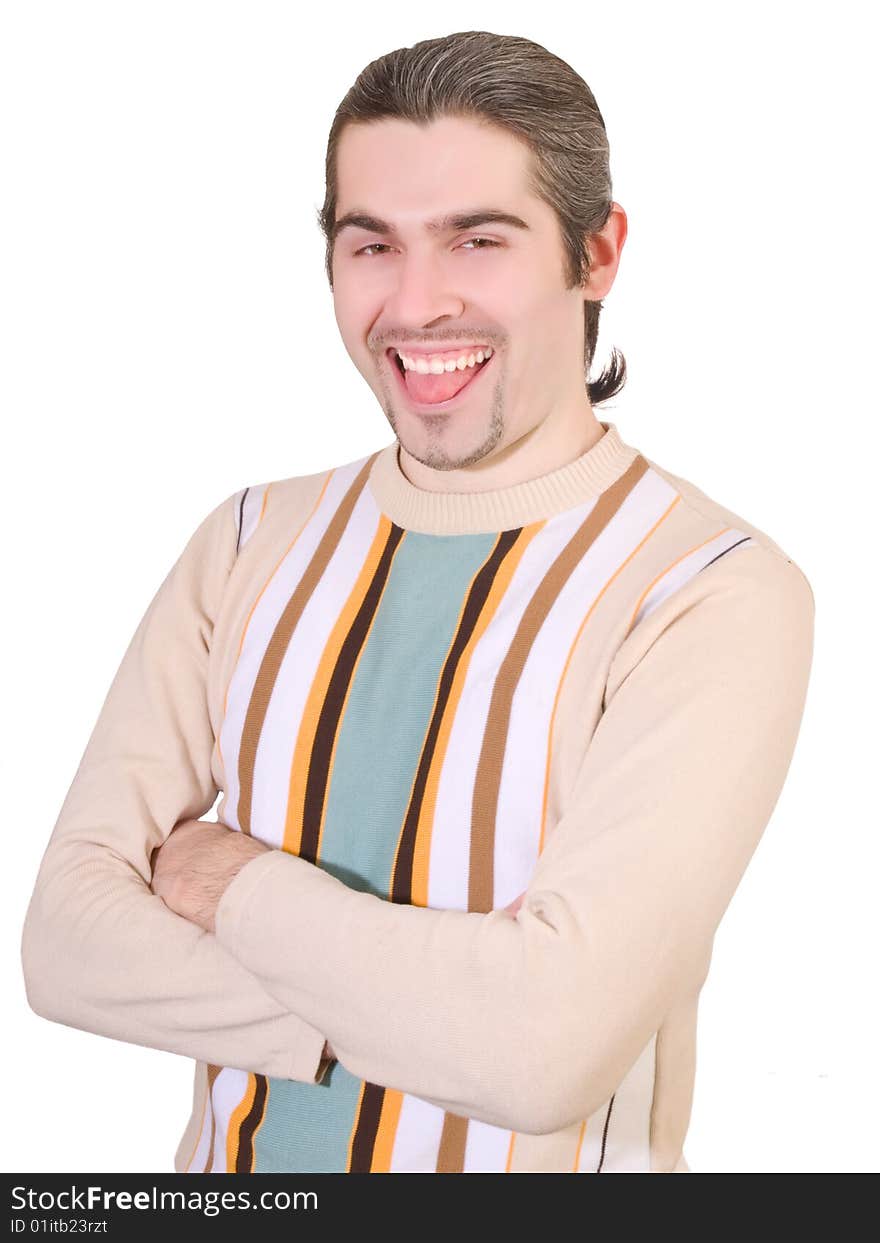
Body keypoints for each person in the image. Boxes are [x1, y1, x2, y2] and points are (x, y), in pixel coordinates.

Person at [20, 30, 815, 1174]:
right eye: (370, 244)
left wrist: (232, 881)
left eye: (476, 241)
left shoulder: (707, 589)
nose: (415, 303)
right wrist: (444, 1010)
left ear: (595, 254)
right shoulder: (249, 539)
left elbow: (544, 1050)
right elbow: (63, 947)